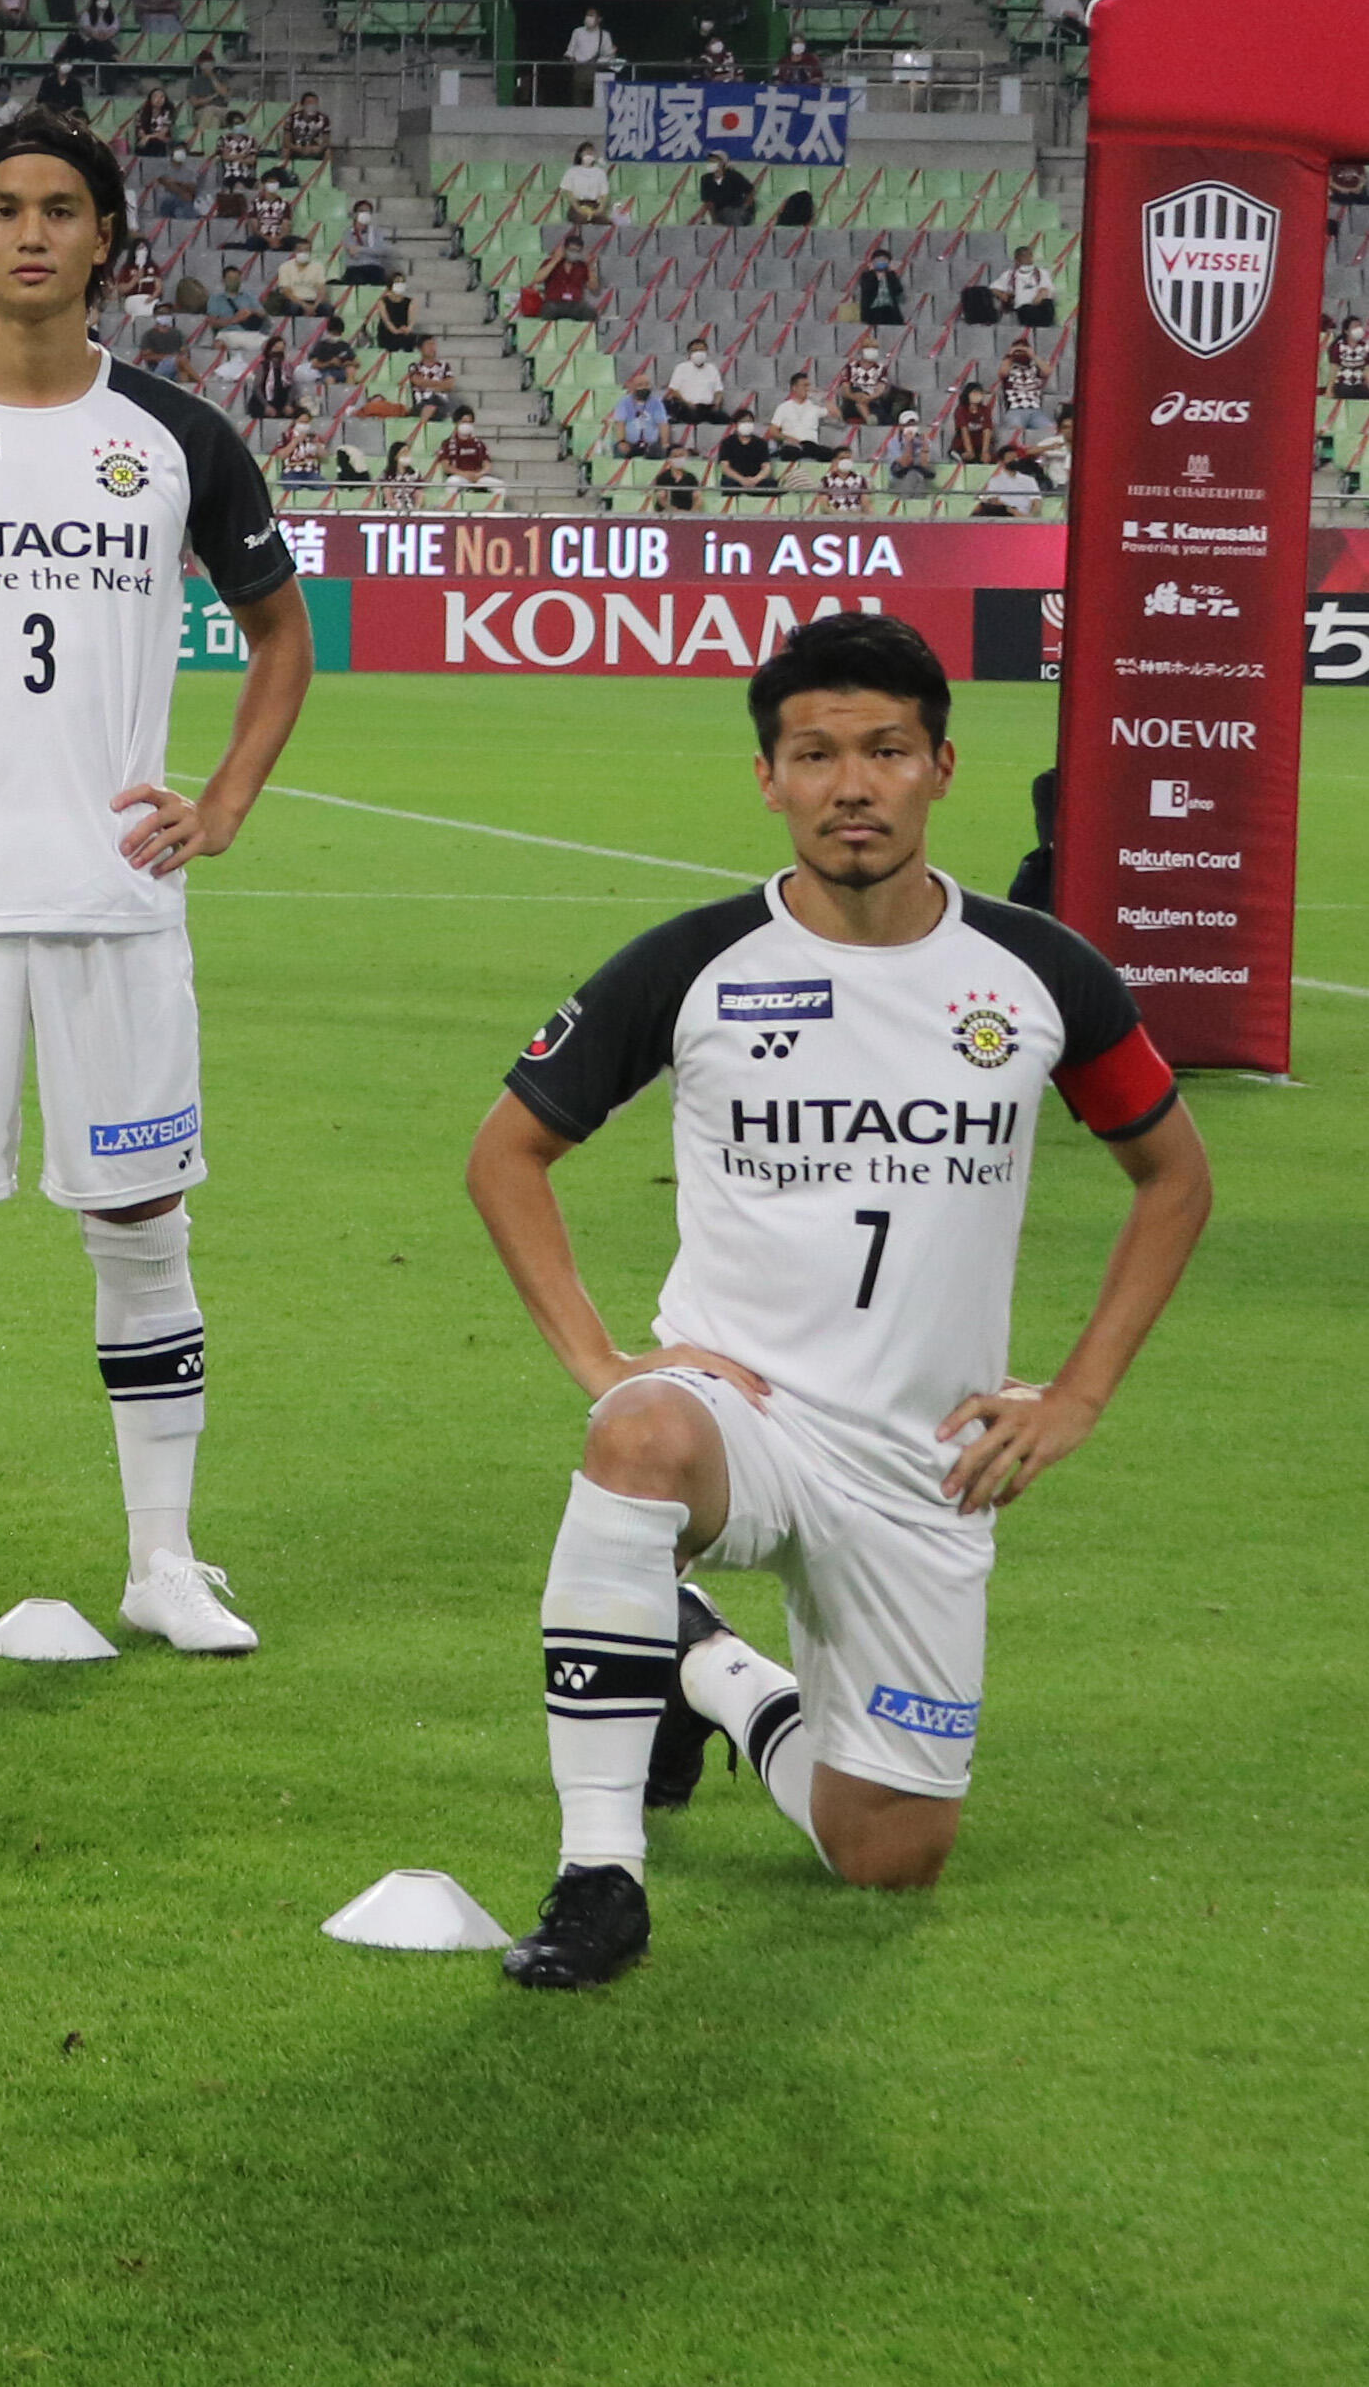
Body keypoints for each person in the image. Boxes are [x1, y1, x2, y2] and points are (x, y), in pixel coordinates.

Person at [465, 615, 1209, 1988]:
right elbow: (506, 1153)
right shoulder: (692, 963)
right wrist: (605, 1361)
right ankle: (596, 1875)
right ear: (768, 779)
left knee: (887, 1853)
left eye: (884, 751)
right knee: (635, 1435)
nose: (849, 786)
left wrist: (1078, 1394)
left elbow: (1171, 1177)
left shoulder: (1038, 972)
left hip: (926, 1460)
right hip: (740, 1418)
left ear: (940, 766)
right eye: (812, 755)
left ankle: (704, 1667)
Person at [0, 115, 318, 1659]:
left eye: (62, 210)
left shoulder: (176, 434)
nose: (32, 233)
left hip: (113, 905)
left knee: (142, 1227)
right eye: (5, 209)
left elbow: (278, 633)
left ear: (105, 239)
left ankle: (164, 1562)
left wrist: (222, 805)